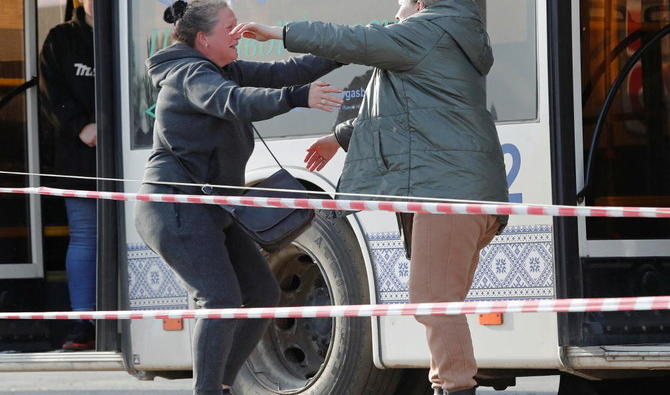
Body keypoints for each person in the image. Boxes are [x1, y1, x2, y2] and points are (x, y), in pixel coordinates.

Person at [233, 1, 509, 394]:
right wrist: (340, 136)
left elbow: (350, 39)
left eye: (400, 3)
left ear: (421, 3)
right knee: (439, 301)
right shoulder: (449, 34)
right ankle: (449, 384)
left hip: (446, 191)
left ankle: (453, 387)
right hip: (461, 189)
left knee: (432, 298)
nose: (395, 10)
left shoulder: (425, 31)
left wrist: (277, 32)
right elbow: (409, 108)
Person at [133, 1, 343, 394]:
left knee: (261, 292)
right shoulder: (190, 74)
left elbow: (289, 71)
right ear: (203, 39)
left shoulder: (221, 68)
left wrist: (355, 46)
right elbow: (236, 102)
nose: (239, 31)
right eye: (230, 26)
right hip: (175, 207)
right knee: (219, 298)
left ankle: (221, 386)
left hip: (211, 208)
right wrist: (299, 97)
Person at [39, 0, 97, 351]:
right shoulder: (60, 39)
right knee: (86, 235)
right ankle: (84, 322)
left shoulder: (133, 35)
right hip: (79, 158)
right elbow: (51, 94)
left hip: (135, 156)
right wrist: (81, 126)